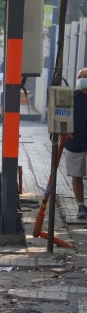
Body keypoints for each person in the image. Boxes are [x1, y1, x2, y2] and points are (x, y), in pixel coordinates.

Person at [65, 68, 87, 218]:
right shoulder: (72, 97)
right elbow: (59, 114)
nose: (82, 79)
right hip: (75, 143)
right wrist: (64, 129)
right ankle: (81, 207)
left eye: (85, 76)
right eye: (80, 76)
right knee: (76, 174)